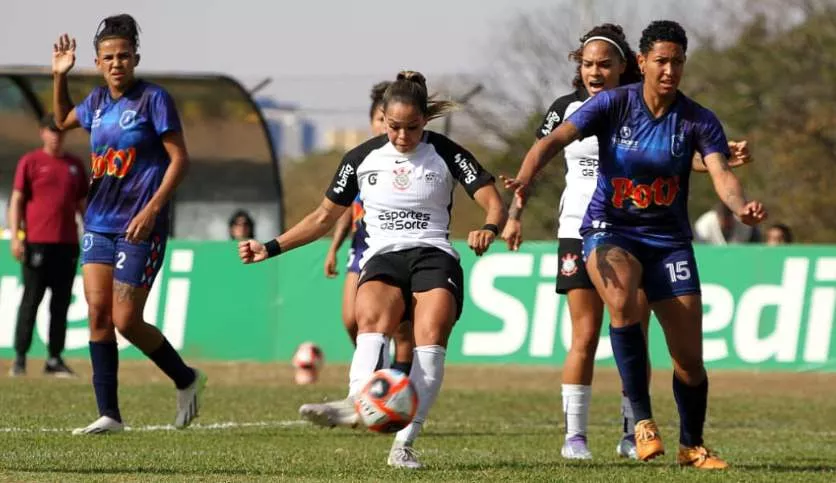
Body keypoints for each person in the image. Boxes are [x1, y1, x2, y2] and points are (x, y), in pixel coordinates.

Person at [505, 20, 766, 469]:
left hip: (668, 241)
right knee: (622, 300)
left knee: (689, 359)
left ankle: (692, 445)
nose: (669, 69)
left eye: (677, 62)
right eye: (661, 60)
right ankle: (641, 422)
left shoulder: (698, 119)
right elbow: (552, 141)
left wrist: (741, 207)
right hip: (610, 229)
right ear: (642, 62)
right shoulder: (611, 104)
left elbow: (721, 172)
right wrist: (524, 181)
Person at [239, 71, 506, 469]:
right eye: (394, 126)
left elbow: (493, 202)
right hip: (382, 256)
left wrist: (489, 228)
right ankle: (353, 402)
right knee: (369, 321)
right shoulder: (361, 158)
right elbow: (321, 217)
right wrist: (270, 247)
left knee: (429, 342)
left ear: (425, 121)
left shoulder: (447, 152)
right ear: (381, 117)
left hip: (433, 254)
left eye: (412, 128)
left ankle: (404, 444)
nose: (402, 136)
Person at [51, 14, 206, 434]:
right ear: (99, 63)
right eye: (108, 57)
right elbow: (62, 120)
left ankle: (186, 378)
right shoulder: (97, 103)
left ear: (135, 58)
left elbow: (180, 159)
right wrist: (60, 77)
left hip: (140, 225)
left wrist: (152, 209)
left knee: (124, 319)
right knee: (98, 315)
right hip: (99, 223)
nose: (116, 63)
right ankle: (109, 415)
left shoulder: (154, 99)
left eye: (123, 56)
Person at [323, 81, 414, 375]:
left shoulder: (409, 159)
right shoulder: (364, 159)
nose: (381, 127)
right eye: (378, 121)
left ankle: (399, 385)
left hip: (398, 248)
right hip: (361, 246)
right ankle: (378, 372)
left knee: (401, 328)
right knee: (351, 319)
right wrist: (334, 247)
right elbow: (343, 208)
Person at [8, 114, 88, 377]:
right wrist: (17, 236)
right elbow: (17, 201)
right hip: (37, 242)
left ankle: (54, 358)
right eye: (52, 131)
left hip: (66, 244)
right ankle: (20, 358)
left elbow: (83, 206)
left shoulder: (74, 166)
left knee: (61, 303)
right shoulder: (30, 162)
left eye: (61, 131)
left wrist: (91, 235)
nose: (56, 136)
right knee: (31, 301)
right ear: (42, 132)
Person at [693, 202, 760, 244]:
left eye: (729, 218)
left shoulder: (743, 224)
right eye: (724, 219)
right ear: (718, 216)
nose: (727, 223)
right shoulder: (704, 225)